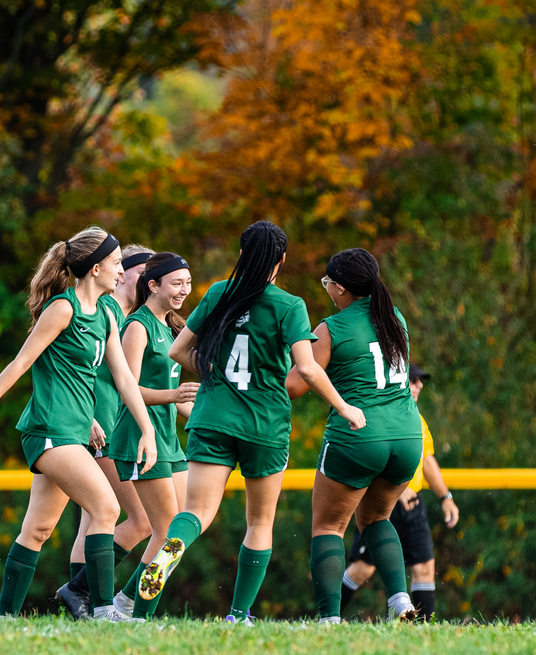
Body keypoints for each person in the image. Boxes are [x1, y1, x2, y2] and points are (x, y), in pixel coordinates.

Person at [137, 221, 366, 624]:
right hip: (264, 425)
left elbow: (177, 350)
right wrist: (344, 407)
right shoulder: (289, 304)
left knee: (195, 514)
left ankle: (152, 583)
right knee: (259, 521)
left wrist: (215, 375)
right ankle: (238, 614)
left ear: (242, 254)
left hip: (213, 417)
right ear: (280, 259)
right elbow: (308, 370)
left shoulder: (219, 293)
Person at [0, 227, 158, 622]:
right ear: (96, 267)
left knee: (38, 530)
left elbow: (123, 379)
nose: (122, 272)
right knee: (105, 508)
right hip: (49, 430)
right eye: (117, 264)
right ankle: (103, 611)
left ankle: (4, 619)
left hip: (72, 434)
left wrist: (147, 429)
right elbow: (20, 363)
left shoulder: (105, 314)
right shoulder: (62, 309)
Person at [285, 248, 422, 624]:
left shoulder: (332, 328)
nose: (326, 289)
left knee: (329, 526)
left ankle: (329, 618)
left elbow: (295, 385)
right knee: (377, 519)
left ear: (341, 288)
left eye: (327, 283)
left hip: (360, 434)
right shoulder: (396, 317)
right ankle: (400, 601)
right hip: (408, 435)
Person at [60, 245, 156, 617]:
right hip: (95, 431)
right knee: (139, 520)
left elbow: (129, 383)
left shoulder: (131, 317)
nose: (146, 279)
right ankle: (80, 592)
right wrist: (87, 418)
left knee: (92, 519)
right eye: (134, 270)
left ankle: (79, 602)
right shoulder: (109, 310)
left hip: (103, 430)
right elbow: (72, 368)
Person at [109, 252, 199, 620]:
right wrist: (173, 396)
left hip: (168, 440)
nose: (184, 290)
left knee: (181, 532)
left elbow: (174, 400)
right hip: (140, 439)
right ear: (153, 285)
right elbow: (126, 387)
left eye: (187, 283)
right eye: (176, 283)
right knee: (166, 535)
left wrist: (211, 428)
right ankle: (134, 613)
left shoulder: (170, 328)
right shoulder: (138, 326)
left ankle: (125, 603)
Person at [341, 363, 460, 622]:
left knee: (425, 567)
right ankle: (328, 616)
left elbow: (427, 460)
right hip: (383, 502)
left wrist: (446, 497)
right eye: (414, 379)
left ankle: (423, 629)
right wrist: (398, 487)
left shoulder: (417, 419)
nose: (419, 385)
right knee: (362, 569)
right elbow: (371, 456)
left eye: (420, 381)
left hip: (413, 506)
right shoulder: (381, 412)